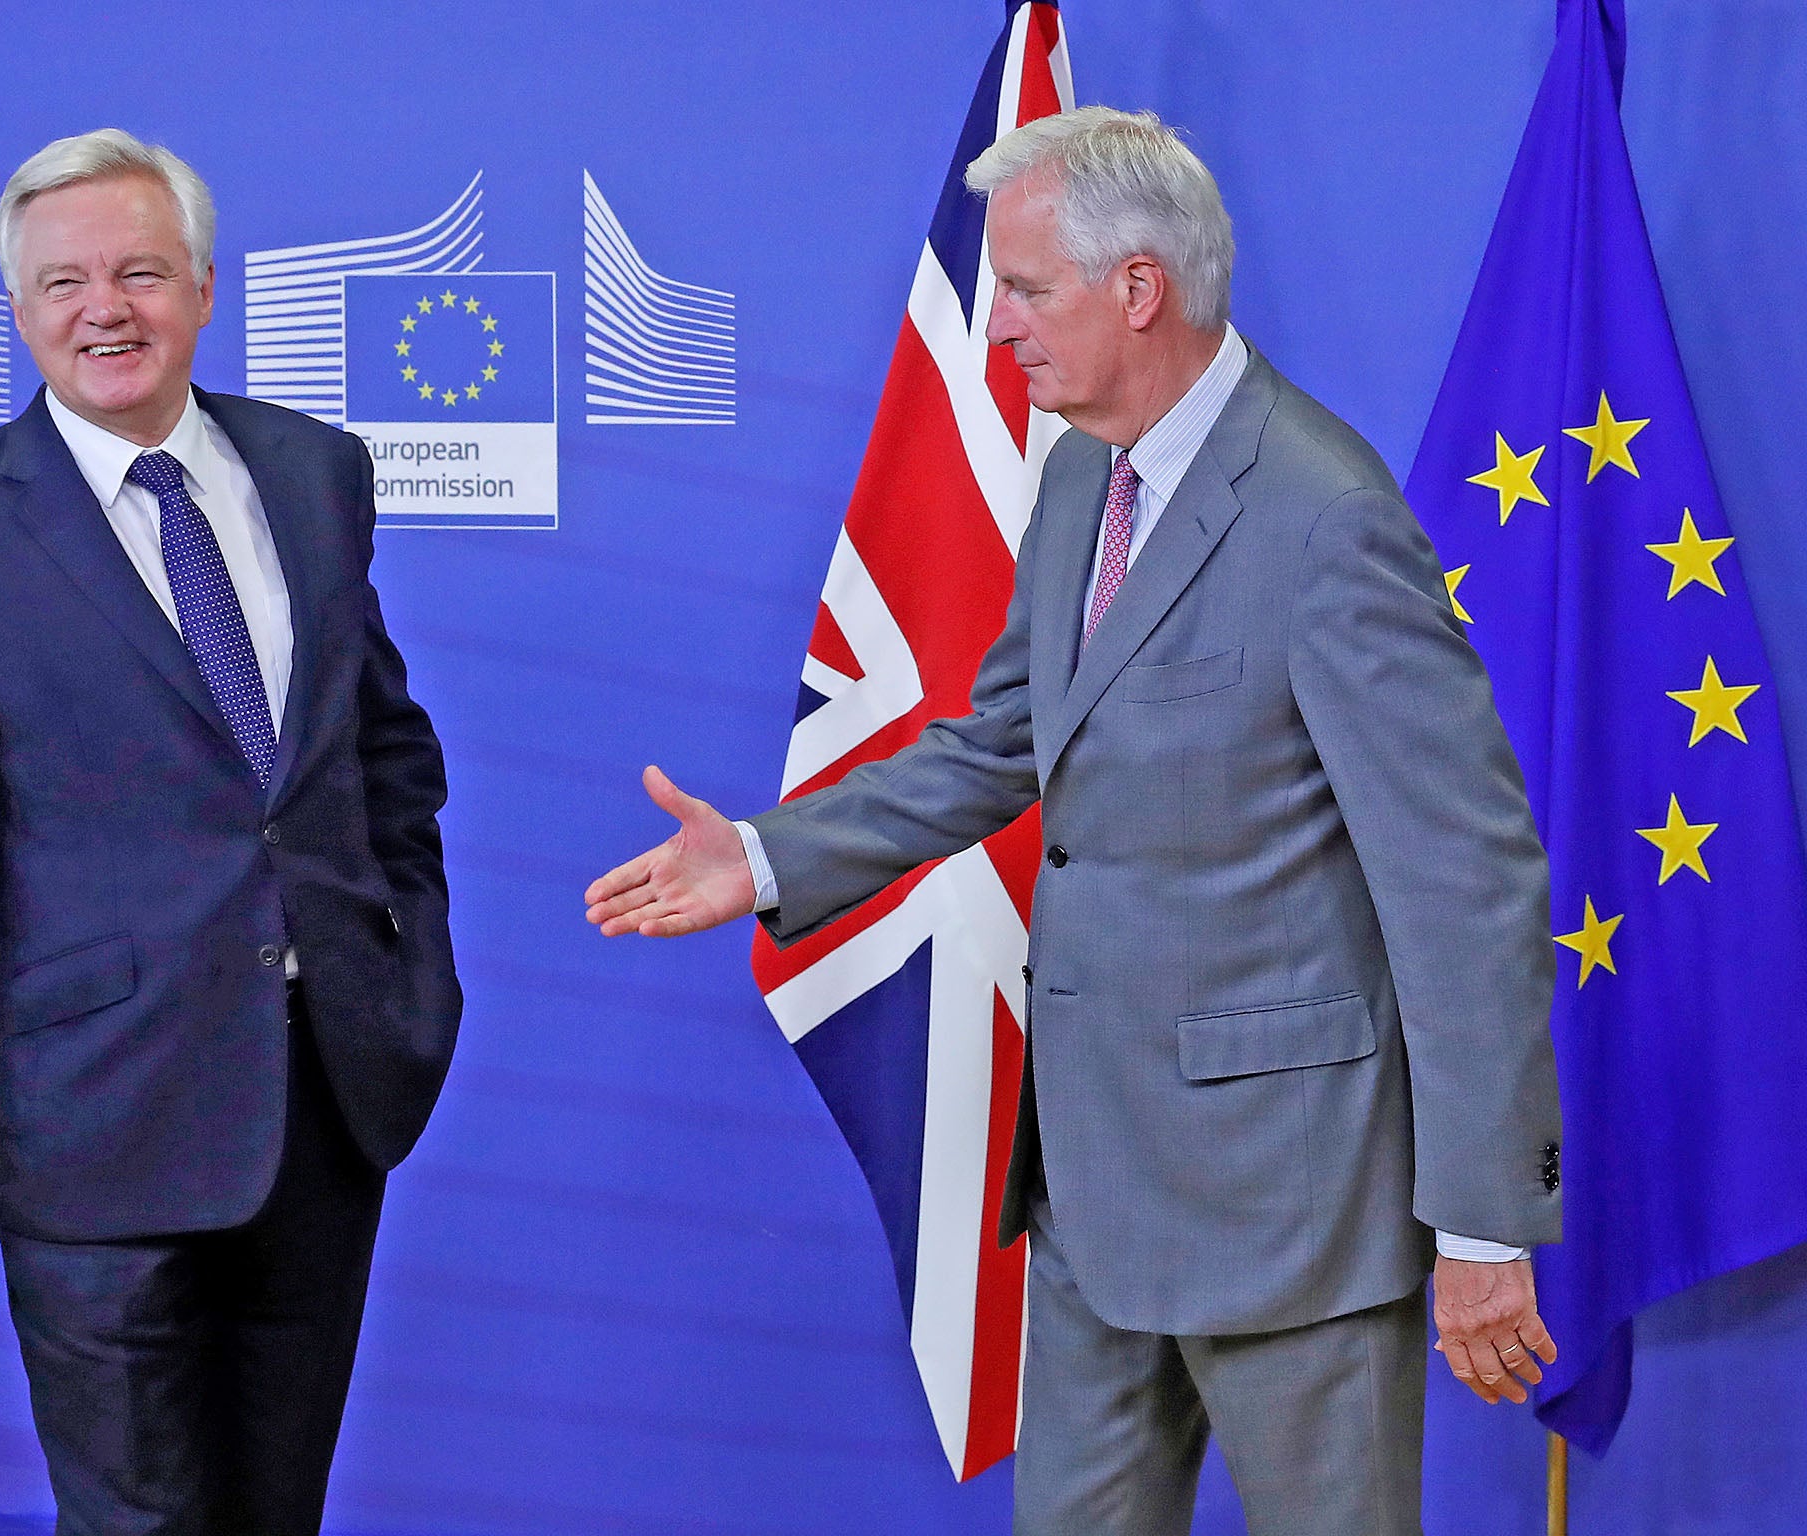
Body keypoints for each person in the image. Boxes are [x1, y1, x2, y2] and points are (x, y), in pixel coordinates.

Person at [587, 107, 1561, 1534]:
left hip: (1297, 1218)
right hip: (1091, 1202)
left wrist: (1483, 1226)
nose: (1004, 334)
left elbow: (1465, 882)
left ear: (1139, 289)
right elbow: (1006, 743)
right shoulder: (1077, 481)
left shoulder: (1324, 515)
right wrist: (768, 855)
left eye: (1029, 291)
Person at [0, 128, 460, 1534]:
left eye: (137, 272)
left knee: (273, 1513)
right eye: (62, 283)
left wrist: (411, 974)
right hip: (89, 1131)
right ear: (16, 313)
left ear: (203, 290)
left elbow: (382, 752)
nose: (102, 309)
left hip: (320, 1108)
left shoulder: (314, 472)